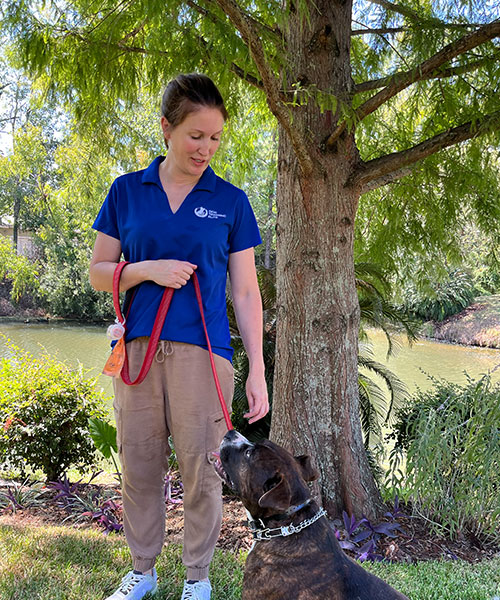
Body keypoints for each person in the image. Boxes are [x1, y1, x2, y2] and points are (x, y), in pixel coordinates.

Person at [89, 73, 269, 600]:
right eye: (195, 135)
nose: (206, 148)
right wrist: (146, 269)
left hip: (204, 353)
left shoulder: (231, 202)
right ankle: (142, 572)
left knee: (203, 470)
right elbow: (100, 270)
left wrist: (256, 369)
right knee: (139, 463)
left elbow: (246, 292)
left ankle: (197, 580)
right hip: (138, 350)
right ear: (167, 128)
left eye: (215, 138)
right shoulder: (126, 191)